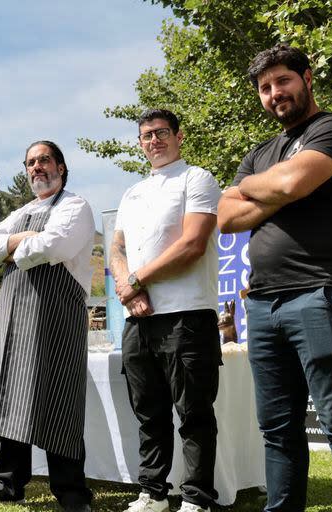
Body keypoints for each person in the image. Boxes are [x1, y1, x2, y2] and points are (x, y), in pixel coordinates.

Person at [217, 44, 332, 511]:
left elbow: (292, 183)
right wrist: (280, 182)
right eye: (265, 87)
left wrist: (263, 187)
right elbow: (227, 217)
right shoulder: (260, 153)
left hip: (320, 293)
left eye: (283, 81)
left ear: (307, 78)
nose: (275, 93)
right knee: (277, 431)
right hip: (263, 306)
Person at [0, 141, 95, 512]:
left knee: (59, 397)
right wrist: (17, 240)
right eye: (30, 163)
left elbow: (53, 247)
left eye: (44, 160)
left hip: (56, 316)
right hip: (12, 316)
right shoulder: (20, 212)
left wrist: (8, 248)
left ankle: (71, 492)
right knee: (11, 395)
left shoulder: (75, 206)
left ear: (61, 166)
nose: (37, 167)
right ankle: (8, 483)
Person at [111, 109, 222, 512]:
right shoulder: (132, 192)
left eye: (161, 133)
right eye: (146, 136)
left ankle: (197, 499)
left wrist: (137, 280)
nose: (153, 141)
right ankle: (153, 494)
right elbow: (117, 248)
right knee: (149, 414)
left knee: (193, 414)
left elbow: (193, 244)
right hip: (138, 319)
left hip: (186, 316)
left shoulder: (198, 179)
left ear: (178, 136)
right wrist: (128, 288)